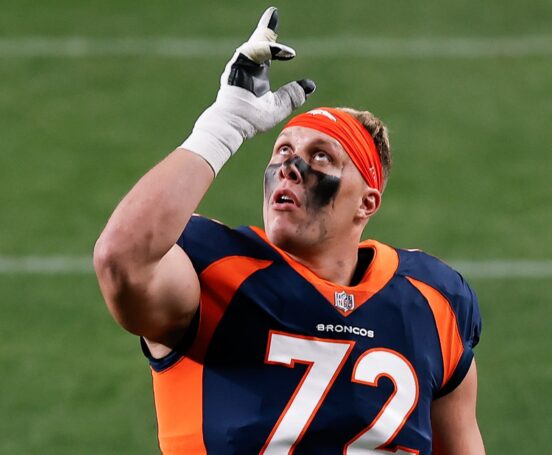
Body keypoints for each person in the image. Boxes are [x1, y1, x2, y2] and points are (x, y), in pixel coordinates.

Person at [94, 7, 484, 455]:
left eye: (322, 157)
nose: (289, 168)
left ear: (367, 202)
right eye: (281, 150)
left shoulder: (433, 301)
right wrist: (224, 126)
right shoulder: (216, 272)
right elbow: (120, 259)